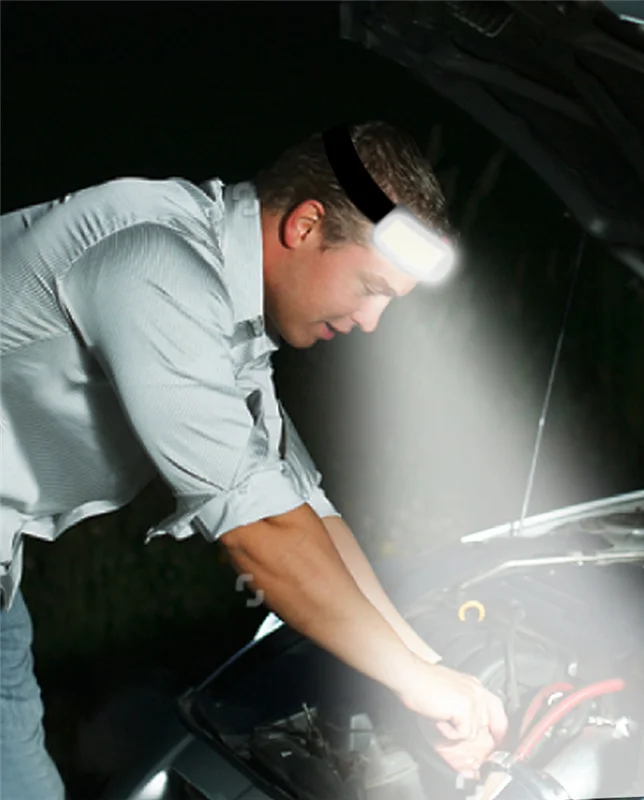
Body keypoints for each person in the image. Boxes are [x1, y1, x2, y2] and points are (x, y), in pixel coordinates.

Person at [0, 121, 508, 799]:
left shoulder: (223, 298)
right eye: (371, 287)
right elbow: (260, 532)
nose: (371, 322)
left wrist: (430, 668)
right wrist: (416, 683)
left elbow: (301, 508)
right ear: (305, 225)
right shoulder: (156, 266)